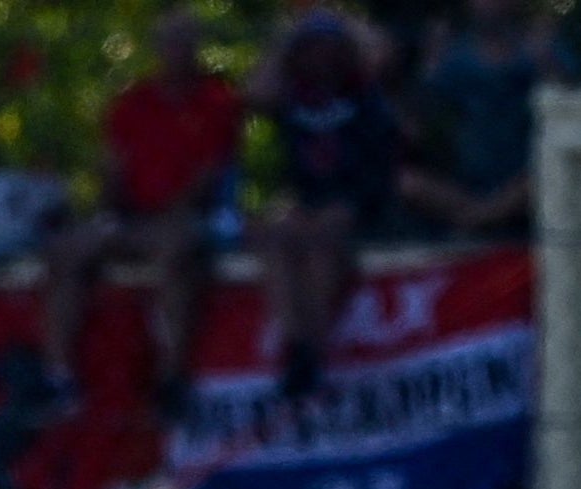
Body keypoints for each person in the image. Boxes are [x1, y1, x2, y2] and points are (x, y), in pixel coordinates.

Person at [41, 11, 242, 411]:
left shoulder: (217, 101)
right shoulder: (133, 103)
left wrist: (163, 216)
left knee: (177, 252)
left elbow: (207, 180)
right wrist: (113, 212)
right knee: (67, 251)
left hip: (184, 220)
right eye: (170, 42)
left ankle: (171, 374)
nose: (177, 52)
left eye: (185, 43)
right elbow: (114, 169)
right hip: (131, 220)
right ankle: (58, 375)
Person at [256, 14, 399, 399]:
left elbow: (382, 53)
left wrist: (340, 20)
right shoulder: (293, 95)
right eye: (311, 49)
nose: (320, 58)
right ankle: (293, 341)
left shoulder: (363, 93)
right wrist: (286, 36)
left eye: (328, 48)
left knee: (325, 239)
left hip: (356, 200)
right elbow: (257, 94)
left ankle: (313, 351)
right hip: (307, 200)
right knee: (275, 232)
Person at [402, 0, 568, 238]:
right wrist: (430, 66)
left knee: (546, 176)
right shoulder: (455, 57)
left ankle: (476, 221)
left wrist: (546, 60)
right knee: (408, 182)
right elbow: (416, 122)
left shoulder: (541, 50)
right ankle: (481, 218)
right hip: (466, 183)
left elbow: (573, 103)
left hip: (525, 175)